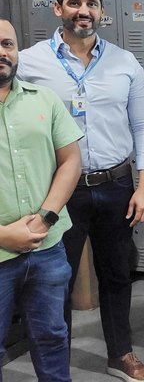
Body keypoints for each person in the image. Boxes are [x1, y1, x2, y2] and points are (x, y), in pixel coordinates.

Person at [17, 0, 144, 381]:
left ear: (102, 11)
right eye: (75, 3)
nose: (84, 11)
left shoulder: (124, 62)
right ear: (58, 8)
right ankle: (55, 361)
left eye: (92, 4)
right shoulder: (29, 62)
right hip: (59, 189)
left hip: (115, 184)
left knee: (117, 274)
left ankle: (121, 354)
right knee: (55, 279)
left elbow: (142, 127)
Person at [0, 19, 83, 381]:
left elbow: (70, 161)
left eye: (7, 44)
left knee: (52, 337)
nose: (2, 53)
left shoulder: (44, 99)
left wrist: (45, 218)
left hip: (47, 248)